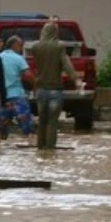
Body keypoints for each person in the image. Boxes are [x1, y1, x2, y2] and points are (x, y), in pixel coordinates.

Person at [30, 22, 78, 150]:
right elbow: (66, 64)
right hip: (55, 89)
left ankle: (40, 147)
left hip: (40, 89)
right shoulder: (59, 46)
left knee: (42, 121)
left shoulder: (36, 47)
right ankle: (49, 148)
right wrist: (75, 79)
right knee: (52, 122)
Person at [0, 35, 34, 143]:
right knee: (26, 124)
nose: (21, 48)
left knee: (0, 126)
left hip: (2, 97)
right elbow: (28, 75)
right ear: (15, 45)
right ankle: (31, 141)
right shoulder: (19, 58)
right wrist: (34, 86)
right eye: (20, 46)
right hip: (17, 95)